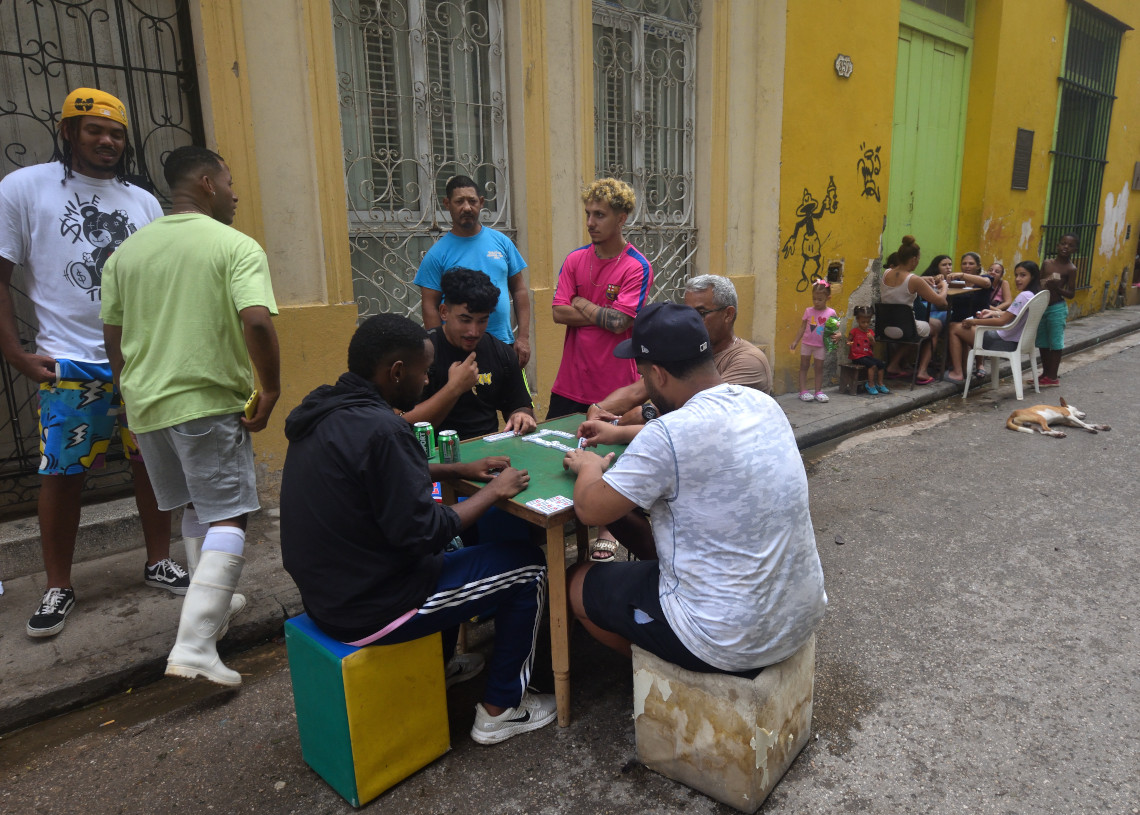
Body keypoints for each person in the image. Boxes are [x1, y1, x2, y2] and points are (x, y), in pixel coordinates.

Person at [279, 314, 557, 745]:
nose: (428, 381)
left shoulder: (326, 409)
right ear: (394, 372)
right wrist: (494, 492)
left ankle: (439, 667)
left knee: (465, 545)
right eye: (424, 371)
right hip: (372, 607)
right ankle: (501, 710)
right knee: (529, 567)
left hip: (327, 592)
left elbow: (370, 473)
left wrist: (456, 467)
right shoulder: (384, 429)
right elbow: (429, 532)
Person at [0, 86, 183, 639]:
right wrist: (14, 353)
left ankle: (158, 559)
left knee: (151, 464)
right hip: (70, 364)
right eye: (94, 130)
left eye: (116, 133)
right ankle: (58, 585)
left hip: (141, 362)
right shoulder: (24, 189)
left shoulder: (143, 202)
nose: (107, 141)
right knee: (62, 474)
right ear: (68, 132)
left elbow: (158, 284)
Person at [562, 303, 827, 676]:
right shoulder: (764, 405)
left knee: (577, 582)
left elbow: (590, 510)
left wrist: (589, 467)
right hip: (800, 617)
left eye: (645, 377)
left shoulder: (667, 434)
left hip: (726, 640)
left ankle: (669, 675)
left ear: (658, 374)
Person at [101, 145, 281, 686]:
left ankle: (214, 609)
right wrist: (270, 388)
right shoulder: (234, 246)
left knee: (197, 506)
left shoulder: (125, 255)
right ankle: (196, 644)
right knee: (229, 514)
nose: (235, 193)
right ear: (205, 182)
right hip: (205, 401)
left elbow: (114, 336)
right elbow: (257, 323)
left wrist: (130, 392)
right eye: (229, 182)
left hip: (147, 406)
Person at [585, 273, 772, 426]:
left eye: (700, 313)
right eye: (687, 313)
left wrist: (634, 419)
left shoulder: (749, 361)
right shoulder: (683, 350)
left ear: (728, 315)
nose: (690, 322)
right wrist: (599, 408)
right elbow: (639, 390)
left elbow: (694, 414)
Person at [549, 177, 654, 420]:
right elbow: (558, 313)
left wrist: (580, 302)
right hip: (570, 385)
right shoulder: (575, 259)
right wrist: (604, 314)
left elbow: (619, 323)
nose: (590, 222)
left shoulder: (636, 266)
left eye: (599, 215)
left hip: (615, 390)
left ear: (621, 218)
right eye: (588, 214)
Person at [403, 267, 535, 440]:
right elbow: (402, 424)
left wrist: (522, 416)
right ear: (444, 312)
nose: (473, 331)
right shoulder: (420, 353)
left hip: (488, 455)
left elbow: (521, 406)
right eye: (465, 320)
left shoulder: (501, 352)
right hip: (432, 457)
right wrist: (454, 388)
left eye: (482, 320)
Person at [414, 176, 533, 366]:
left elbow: (519, 289)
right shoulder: (437, 255)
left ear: (482, 203)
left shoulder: (502, 243)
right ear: (447, 204)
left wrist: (524, 337)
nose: (467, 207)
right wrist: (440, 349)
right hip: (459, 351)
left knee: (513, 395)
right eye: (459, 201)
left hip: (504, 344)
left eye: (472, 201)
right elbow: (430, 305)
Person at [943, 260, 1041, 383]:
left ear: (1033, 277)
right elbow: (1015, 315)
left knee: (953, 327)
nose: (1017, 279)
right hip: (1017, 341)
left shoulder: (1023, 296)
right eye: (1016, 275)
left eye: (1023, 275)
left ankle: (957, 373)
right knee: (962, 327)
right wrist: (993, 313)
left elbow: (1001, 322)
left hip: (1003, 342)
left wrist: (974, 322)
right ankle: (963, 368)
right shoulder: (1033, 295)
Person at [881, 235, 948, 384]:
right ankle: (922, 371)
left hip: (886, 327)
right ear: (913, 259)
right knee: (935, 327)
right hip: (907, 328)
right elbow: (941, 302)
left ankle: (893, 365)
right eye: (918, 259)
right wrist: (944, 287)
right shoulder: (914, 279)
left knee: (912, 325)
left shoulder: (886, 274)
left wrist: (922, 280)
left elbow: (902, 283)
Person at [1036, 234, 1078, 386]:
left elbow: (1071, 294)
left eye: (1070, 245)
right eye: (1063, 243)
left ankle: (1053, 377)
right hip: (1042, 306)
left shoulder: (1071, 269)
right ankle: (1045, 373)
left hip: (1056, 308)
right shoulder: (1047, 263)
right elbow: (1038, 282)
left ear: (1075, 249)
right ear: (1057, 246)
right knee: (1042, 341)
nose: (1066, 247)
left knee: (1055, 342)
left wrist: (1058, 289)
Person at [789, 279, 837, 402]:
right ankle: (803, 391)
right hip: (806, 344)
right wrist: (795, 341)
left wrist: (838, 335)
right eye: (814, 299)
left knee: (819, 368)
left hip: (820, 346)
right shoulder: (808, 311)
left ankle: (818, 391)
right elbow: (802, 327)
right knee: (804, 366)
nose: (816, 302)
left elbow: (835, 329)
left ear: (828, 298)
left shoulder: (831, 313)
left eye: (820, 299)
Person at [844, 305, 888, 395]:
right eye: (863, 322)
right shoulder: (854, 331)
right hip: (857, 356)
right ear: (858, 320)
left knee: (881, 364)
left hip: (867, 355)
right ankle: (870, 384)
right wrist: (850, 343)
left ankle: (880, 383)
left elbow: (874, 345)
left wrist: (872, 339)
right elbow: (848, 341)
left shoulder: (870, 332)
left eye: (867, 322)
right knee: (872, 365)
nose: (866, 324)